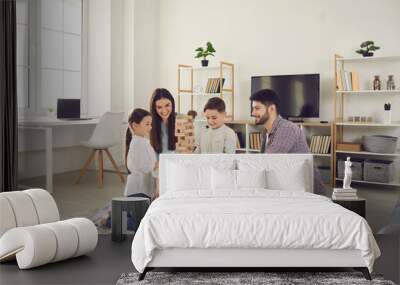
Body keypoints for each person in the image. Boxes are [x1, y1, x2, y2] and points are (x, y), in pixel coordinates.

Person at [250, 88, 325, 194]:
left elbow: (268, 161)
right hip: (288, 185)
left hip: (307, 191)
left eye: (257, 108)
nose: (253, 113)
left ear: (271, 109)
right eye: (253, 109)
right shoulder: (265, 132)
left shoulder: (286, 129)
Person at [124, 108, 158, 199]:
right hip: (139, 190)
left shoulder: (141, 142)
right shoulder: (138, 143)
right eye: (147, 124)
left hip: (142, 188)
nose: (150, 127)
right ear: (135, 125)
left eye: (151, 124)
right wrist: (157, 165)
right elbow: (144, 167)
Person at [149, 88, 176, 156]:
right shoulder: (149, 124)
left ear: (172, 103)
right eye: (159, 107)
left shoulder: (182, 120)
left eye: (167, 105)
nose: (164, 111)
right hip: (159, 165)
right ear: (154, 109)